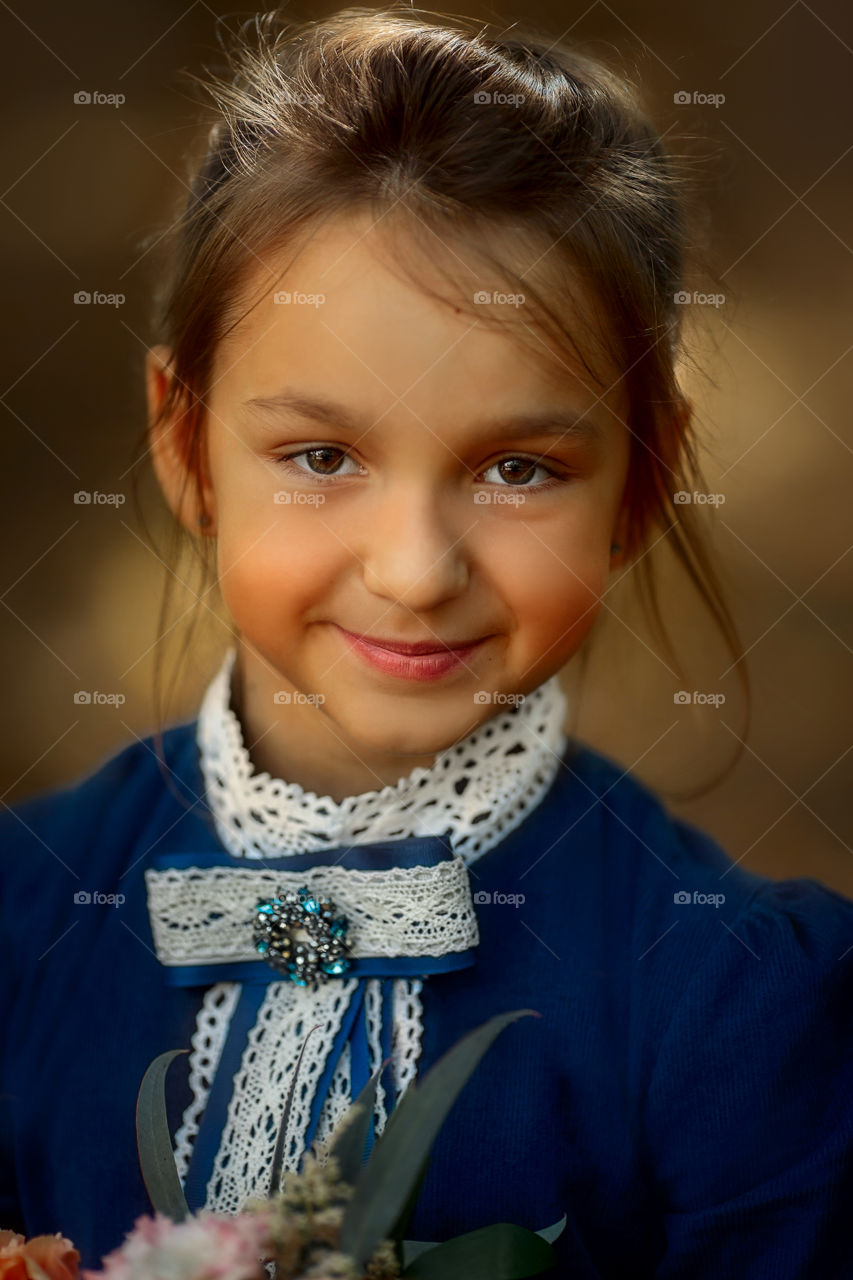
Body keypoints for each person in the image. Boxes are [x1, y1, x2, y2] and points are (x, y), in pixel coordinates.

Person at [2, 6, 852, 1276]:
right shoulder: (23, 916)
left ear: (640, 481)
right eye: (321, 455)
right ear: (188, 449)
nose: (414, 569)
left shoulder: (738, 1006)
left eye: (518, 466)